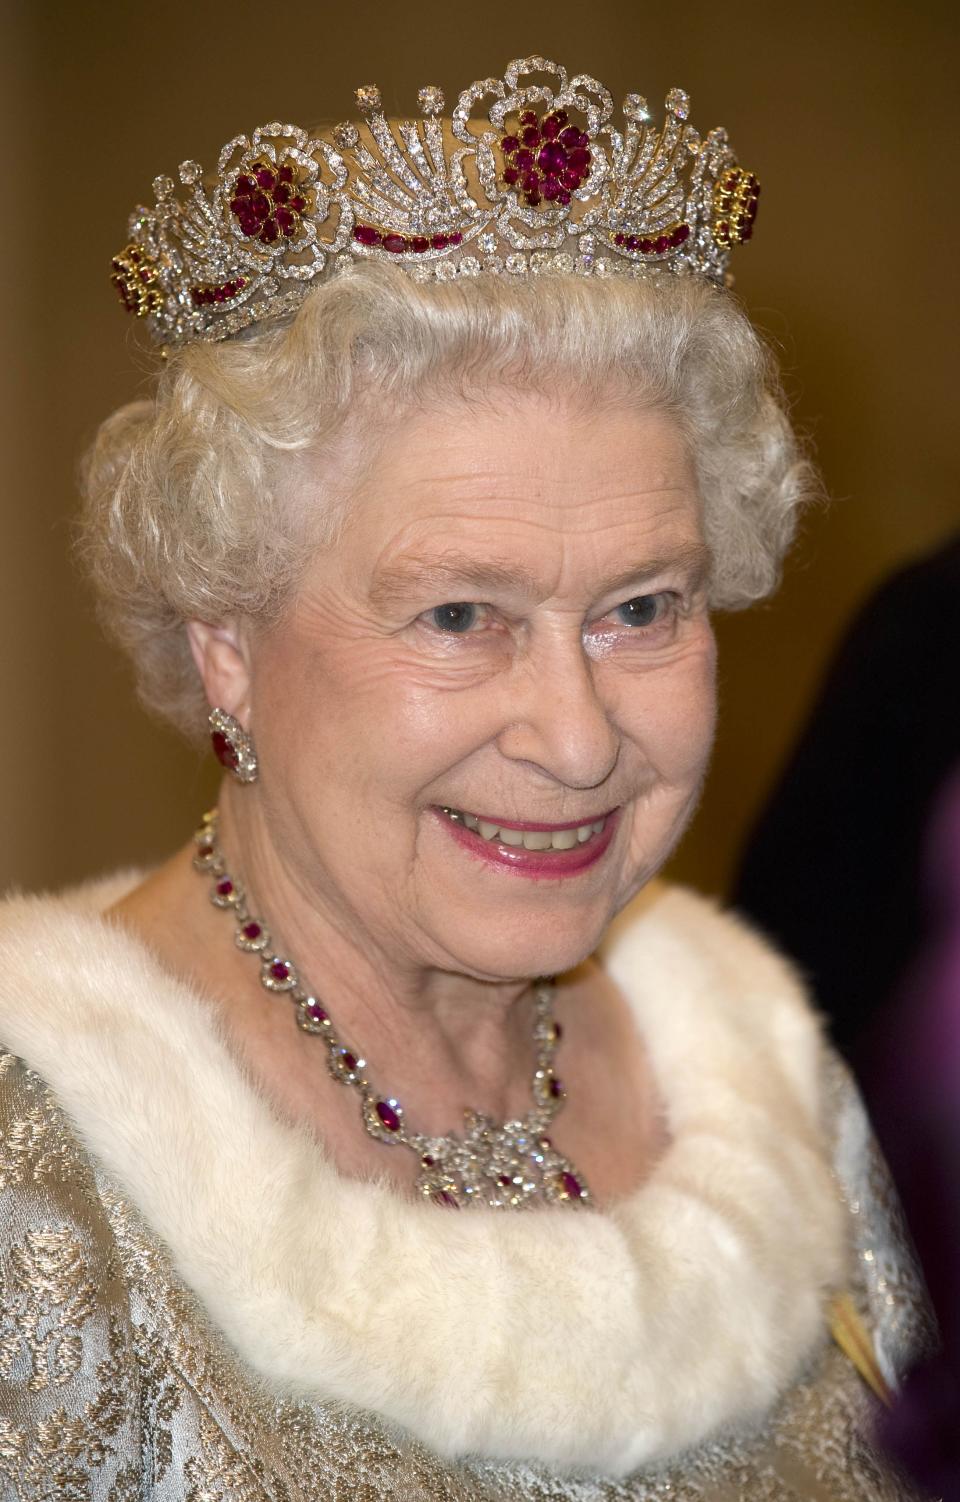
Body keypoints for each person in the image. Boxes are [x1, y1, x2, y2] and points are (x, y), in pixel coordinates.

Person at [0, 57, 933, 1499]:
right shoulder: (40, 1188)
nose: (575, 739)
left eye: (642, 608)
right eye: (458, 616)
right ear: (227, 643)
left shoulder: (771, 1084)